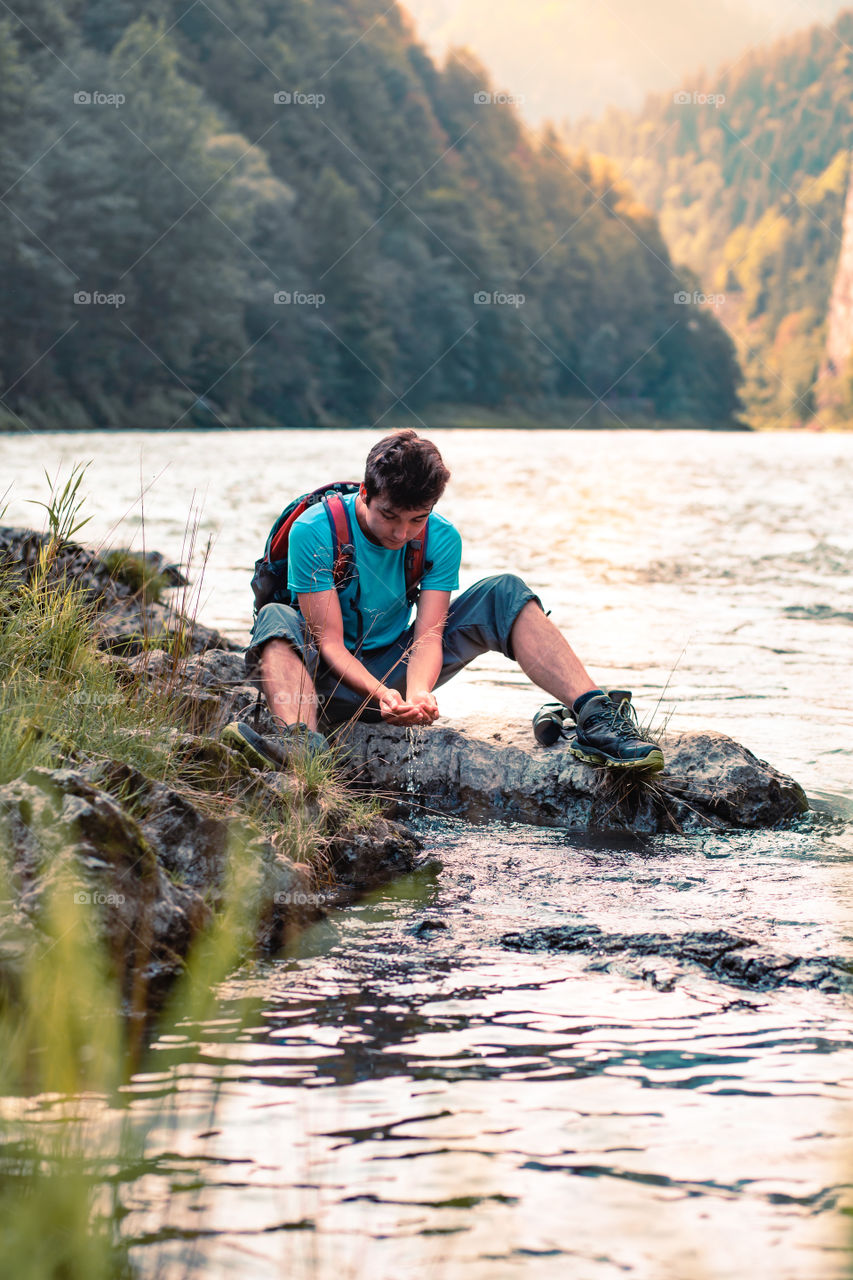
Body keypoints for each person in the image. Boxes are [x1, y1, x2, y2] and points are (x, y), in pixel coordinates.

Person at [224, 430, 663, 772]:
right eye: (389, 516)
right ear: (365, 494)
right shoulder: (314, 531)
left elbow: (429, 635)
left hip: (393, 674)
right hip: (321, 682)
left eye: (417, 518)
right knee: (277, 617)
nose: (401, 534)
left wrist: (417, 695)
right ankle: (301, 749)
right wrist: (382, 694)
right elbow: (331, 644)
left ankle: (596, 717)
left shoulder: (440, 538)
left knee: (504, 592)